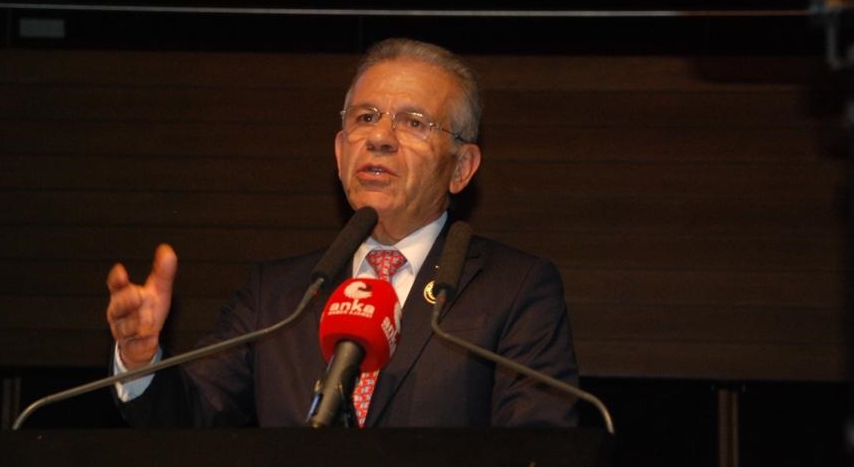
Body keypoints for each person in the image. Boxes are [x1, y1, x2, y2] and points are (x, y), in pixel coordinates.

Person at [106, 38, 579, 427]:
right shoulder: (277, 297)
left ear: (461, 168)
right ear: (339, 153)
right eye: (365, 117)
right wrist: (141, 362)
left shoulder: (514, 289)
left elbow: (536, 455)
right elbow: (189, 419)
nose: (380, 138)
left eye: (413, 122)